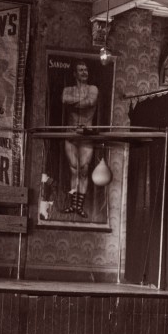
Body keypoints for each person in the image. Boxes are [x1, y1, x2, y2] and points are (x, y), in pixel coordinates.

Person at [60, 61, 99, 217]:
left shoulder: (93, 89)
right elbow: (64, 99)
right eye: (81, 70)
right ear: (74, 74)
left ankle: (79, 206)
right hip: (70, 133)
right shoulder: (68, 89)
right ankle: (73, 205)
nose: (84, 72)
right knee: (73, 169)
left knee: (83, 170)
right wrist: (82, 101)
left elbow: (91, 102)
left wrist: (75, 102)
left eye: (86, 70)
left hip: (86, 133)